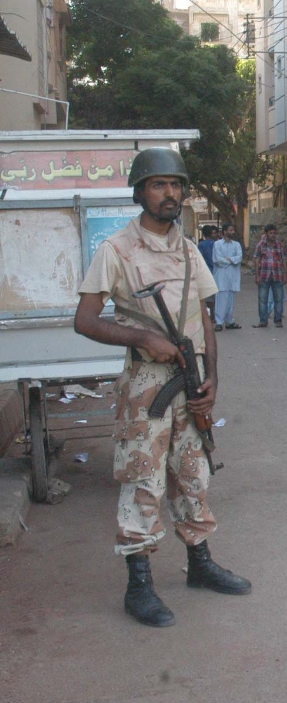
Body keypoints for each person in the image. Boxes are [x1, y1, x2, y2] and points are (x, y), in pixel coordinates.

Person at [73, 147, 250, 628]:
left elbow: (206, 320)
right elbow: (85, 320)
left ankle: (200, 565)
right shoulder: (117, 250)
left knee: (194, 474)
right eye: (158, 184)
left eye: (175, 185)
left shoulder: (190, 249)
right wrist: (141, 336)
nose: (169, 193)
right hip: (148, 386)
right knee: (143, 480)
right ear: (140, 192)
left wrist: (212, 377)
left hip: (189, 381)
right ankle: (139, 586)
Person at [253, 224, 287, 328]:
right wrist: (257, 276)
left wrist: (286, 275)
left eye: (274, 233)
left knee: (279, 299)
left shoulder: (280, 245)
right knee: (263, 299)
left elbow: (284, 260)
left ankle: (278, 320)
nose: (273, 235)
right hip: (264, 275)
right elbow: (257, 260)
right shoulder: (260, 245)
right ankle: (263, 321)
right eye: (270, 233)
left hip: (278, 275)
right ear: (266, 234)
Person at [212, 223, 243, 332]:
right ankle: (219, 322)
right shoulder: (217, 244)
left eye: (233, 230)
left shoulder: (236, 245)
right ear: (224, 232)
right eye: (230, 230)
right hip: (221, 276)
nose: (232, 232)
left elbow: (239, 258)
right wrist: (230, 260)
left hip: (233, 276)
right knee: (221, 299)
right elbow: (218, 260)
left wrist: (230, 260)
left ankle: (229, 321)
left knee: (230, 300)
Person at [197, 225, 218, 319]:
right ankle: (216, 314)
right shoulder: (217, 243)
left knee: (208, 295)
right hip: (217, 271)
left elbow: (199, 259)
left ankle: (211, 315)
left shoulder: (201, 245)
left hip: (207, 271)